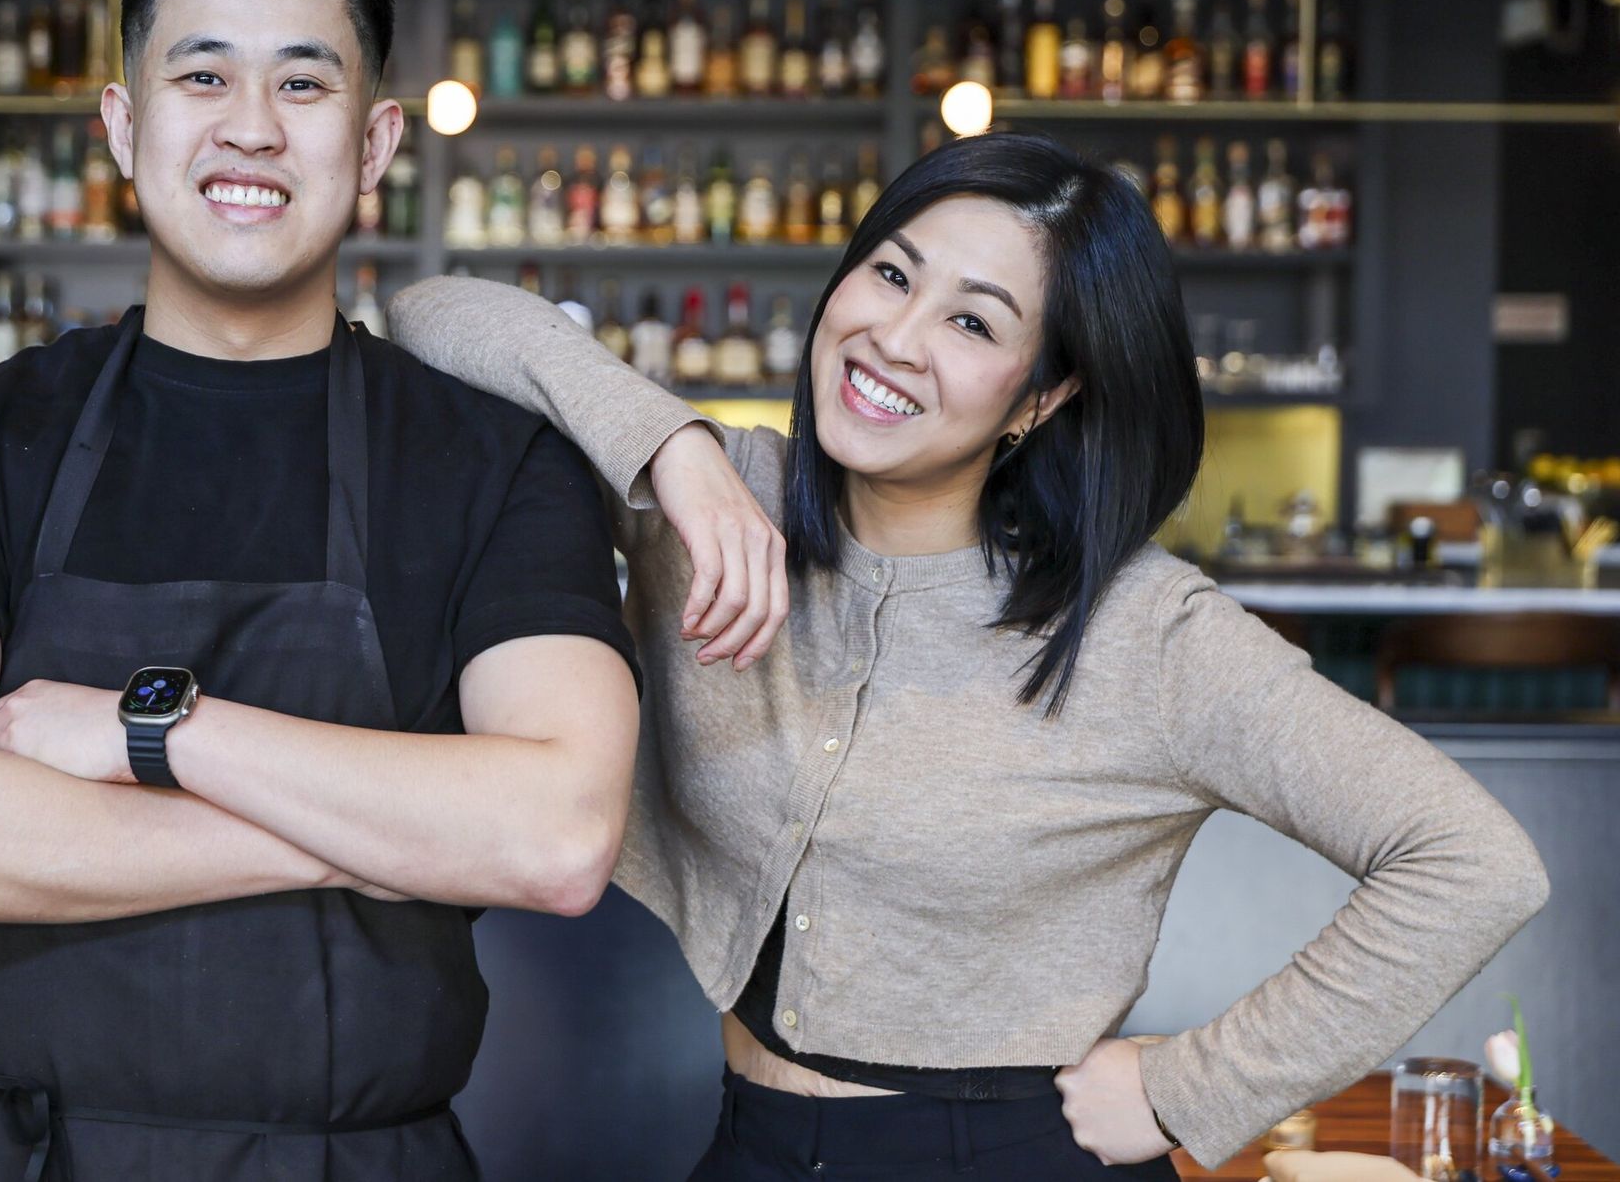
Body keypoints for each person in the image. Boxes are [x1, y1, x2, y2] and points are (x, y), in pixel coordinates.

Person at [388, 131, 1549, 1180]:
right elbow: (432, 313)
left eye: (971, 322)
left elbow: (1471, 863)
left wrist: (1186, 1087)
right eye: (890, 274)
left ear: (1041, 398)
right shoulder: (714, 507)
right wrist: (678, 450)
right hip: (747, 1141)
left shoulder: (1144, 632)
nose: (892, 337)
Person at [0, 0, 640, 1182]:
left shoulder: (496, 462)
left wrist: (149, 732)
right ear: (124, 125)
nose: (250, 128)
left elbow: (553, 837)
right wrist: (370, 836)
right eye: (203, 77)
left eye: (302, 87)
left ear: (373, 144)